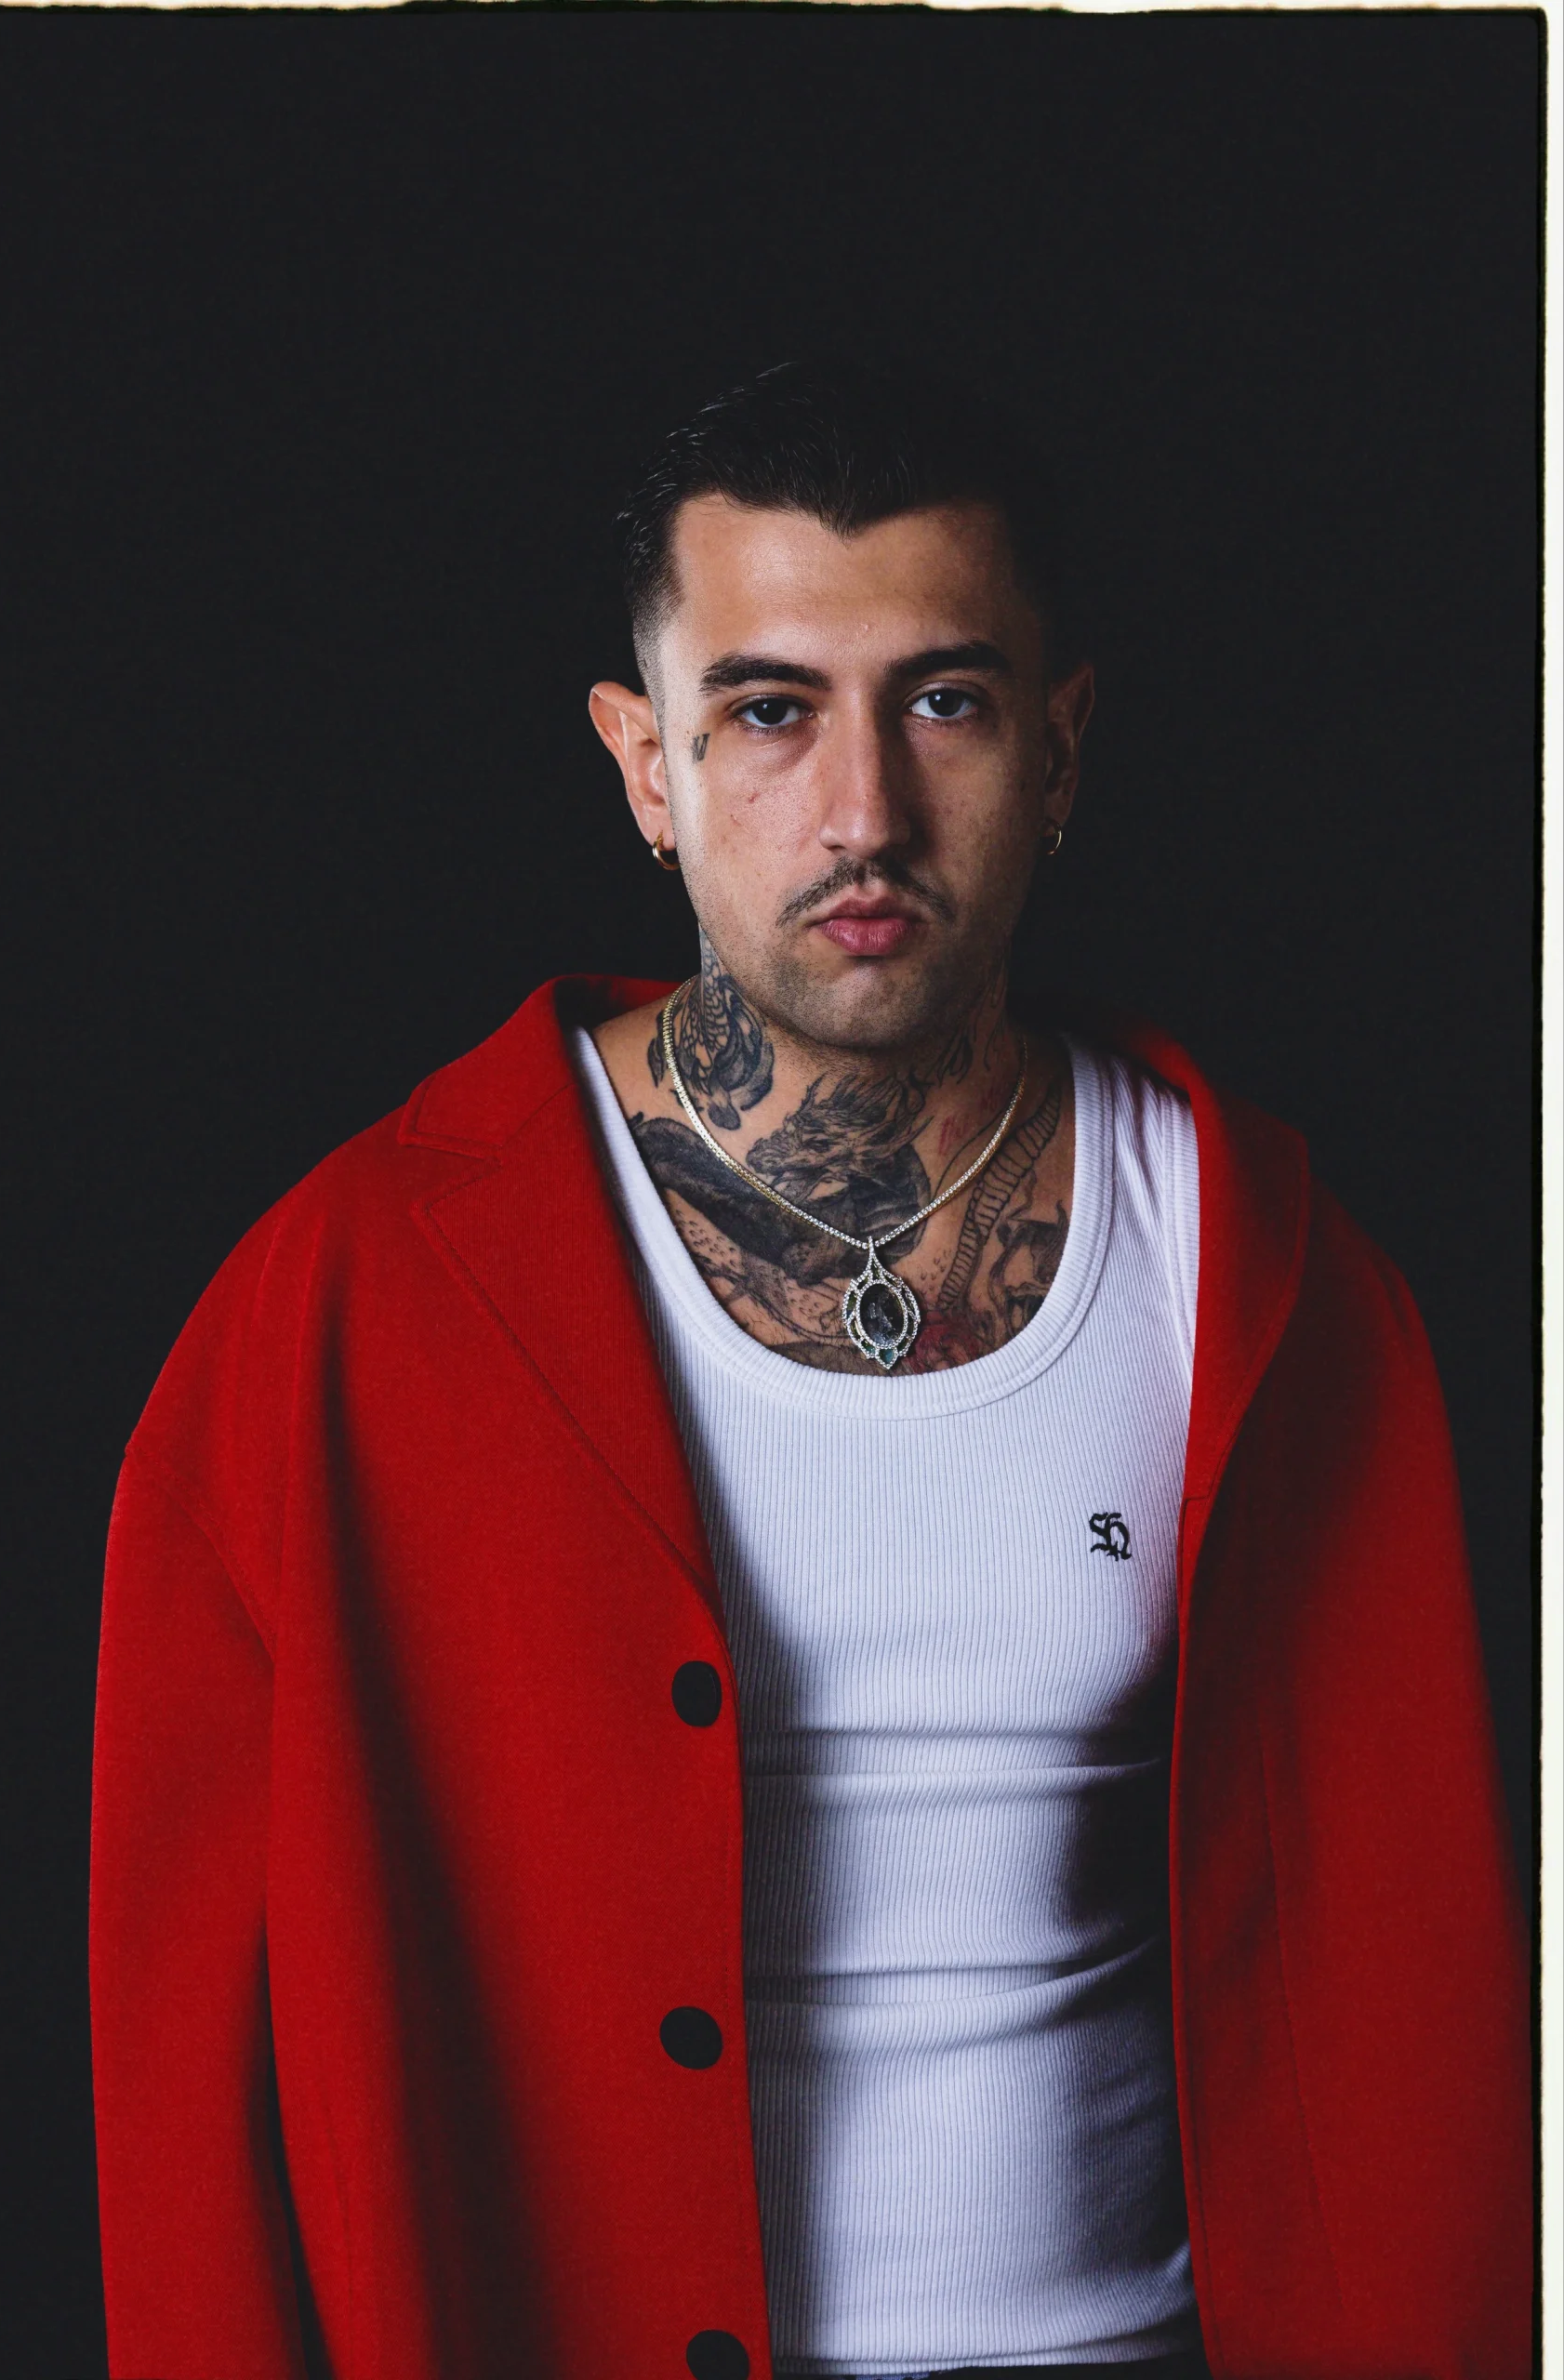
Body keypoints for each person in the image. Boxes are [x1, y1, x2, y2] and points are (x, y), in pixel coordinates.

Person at [89, 364, 1530, 2380]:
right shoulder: (349, 1300)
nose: (861, 814)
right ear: (644, 764)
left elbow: (1411, 1997)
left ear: (1059, 747)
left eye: (941, 701)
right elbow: (187, 2068)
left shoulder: (1265, 1275)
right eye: (769, 710)